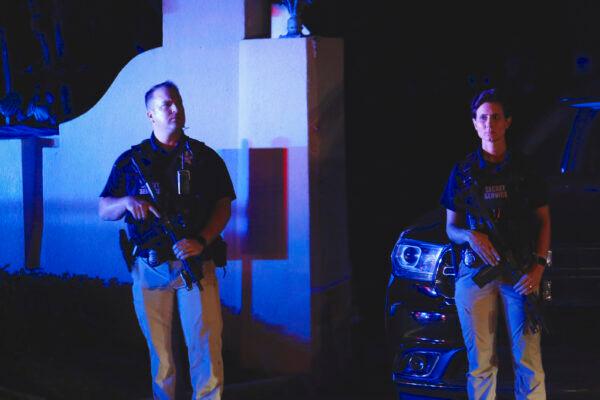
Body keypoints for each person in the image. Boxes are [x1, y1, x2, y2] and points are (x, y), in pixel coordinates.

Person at [98, 80, 235, 399]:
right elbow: (104, 208)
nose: (175, 109)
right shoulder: (131, 161)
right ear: (150, 115)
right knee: (162, 358)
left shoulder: (203, 157)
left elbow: (223, 206)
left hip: (195, 265)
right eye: (166, 105)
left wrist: (201, 240)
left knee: (206, 350)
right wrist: (127, 202)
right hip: (150, 267)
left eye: (178, 102)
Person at [440, 88, 550, 399]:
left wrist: (539, 267)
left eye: (496, 117)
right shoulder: (462, 172)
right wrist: (471, 236)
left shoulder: (525, 169)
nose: (490, 124)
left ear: (507, 122)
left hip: (520, 272)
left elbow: (544, 220)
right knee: (480, 364)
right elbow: (451, 228)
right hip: (476, 274)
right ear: (474, 123)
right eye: (483, 117)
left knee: (529, 361)